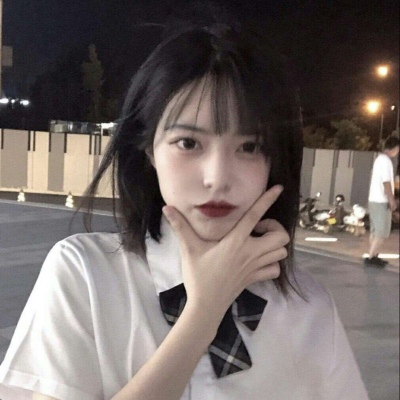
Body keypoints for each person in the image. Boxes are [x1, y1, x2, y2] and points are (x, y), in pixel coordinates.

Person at [0, 13, 368, 400]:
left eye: (250, 147)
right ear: (149, 150)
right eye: (189, 143)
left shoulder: (308, 307)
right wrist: (203, 314)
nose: (217, 178)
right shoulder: (86, 275)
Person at [364, 135, 399, 267]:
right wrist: (392, 200)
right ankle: (371, 258)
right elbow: (386, 183)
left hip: (374, 200)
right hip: (381, 201)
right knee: (381, 232)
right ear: (395, 148)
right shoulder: (385, 161)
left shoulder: (379, 159)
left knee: (375, 231)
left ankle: (374, 255)